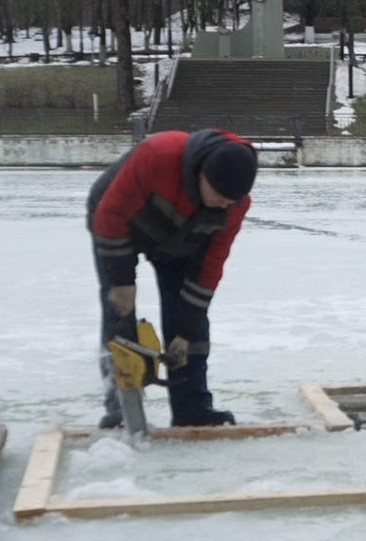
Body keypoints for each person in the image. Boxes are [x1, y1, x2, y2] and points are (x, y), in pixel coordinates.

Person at [87, 127, 259, 429]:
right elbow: (110, 215)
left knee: (190, 320)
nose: (224, 204)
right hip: (117, 222)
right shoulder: (159, 155)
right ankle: (119, 408)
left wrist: (186, 328)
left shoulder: (233, 205)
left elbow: (209, 268)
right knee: (119, 315)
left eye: (232, 200)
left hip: (180, 238)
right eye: (219, 195)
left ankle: (192, 408)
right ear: (202, 173)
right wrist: (122, 284)